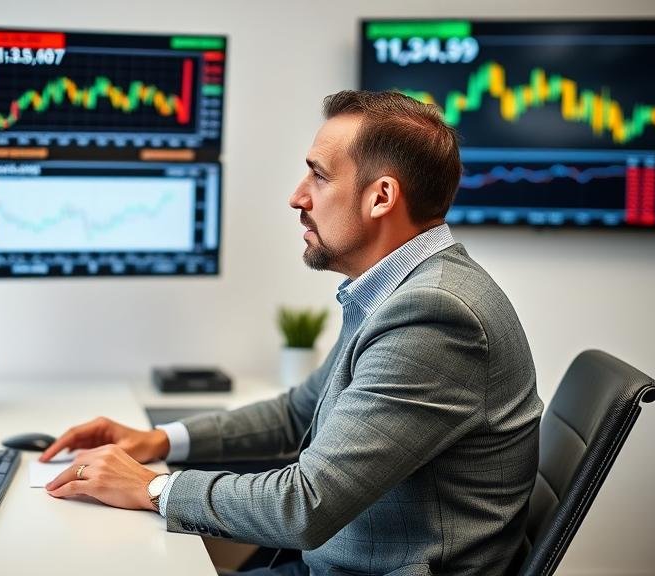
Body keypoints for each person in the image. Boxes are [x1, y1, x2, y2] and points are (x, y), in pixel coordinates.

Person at [40, 90, 544, 576]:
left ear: (381, 197)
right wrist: (156, 440)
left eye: (319, 177)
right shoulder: (396, 289)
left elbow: (303, 506)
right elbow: (296, 413)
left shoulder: (434, 316)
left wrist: (151, 489)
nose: (297, 197)